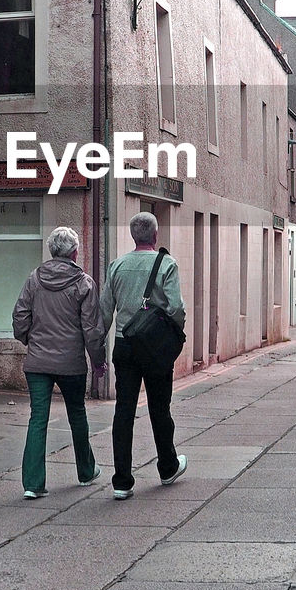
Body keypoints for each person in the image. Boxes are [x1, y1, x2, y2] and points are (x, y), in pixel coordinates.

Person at [11, 226, 105, 500]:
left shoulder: (34, 279)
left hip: (38, 362)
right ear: (75, 252)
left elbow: (19, 318)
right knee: (77, 414)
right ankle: (86, 471)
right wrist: (98, 361)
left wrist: (30, 341)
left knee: (38, 418)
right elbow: (93, 330)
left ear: (52, 251)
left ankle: (33, 484)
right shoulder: (84, 283)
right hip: (71, 362)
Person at [99, 211, 187, 500]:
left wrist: (98, 346)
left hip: (125, 344)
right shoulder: (167, 265)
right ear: (156, 236)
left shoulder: (117, 266)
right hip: (154, 346)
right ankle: (167, 466)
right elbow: (175, 307)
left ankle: (122, 481)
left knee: (123, 411)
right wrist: (175, 335)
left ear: (133, 236)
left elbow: (104, 312)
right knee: (160, 408)